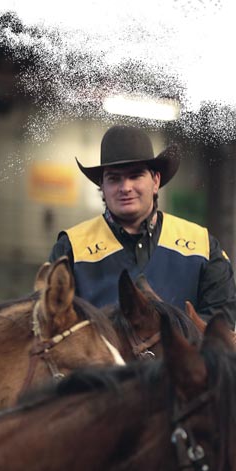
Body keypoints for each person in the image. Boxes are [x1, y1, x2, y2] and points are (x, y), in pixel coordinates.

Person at [49, 125, 236, 324]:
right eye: (114, 179)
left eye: (135, 176)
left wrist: (166, 336)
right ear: (102, 187)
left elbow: (221, 324)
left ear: (155, 181)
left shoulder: (203, 247)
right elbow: (52, 322)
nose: (125, 187)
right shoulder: (71, 248)